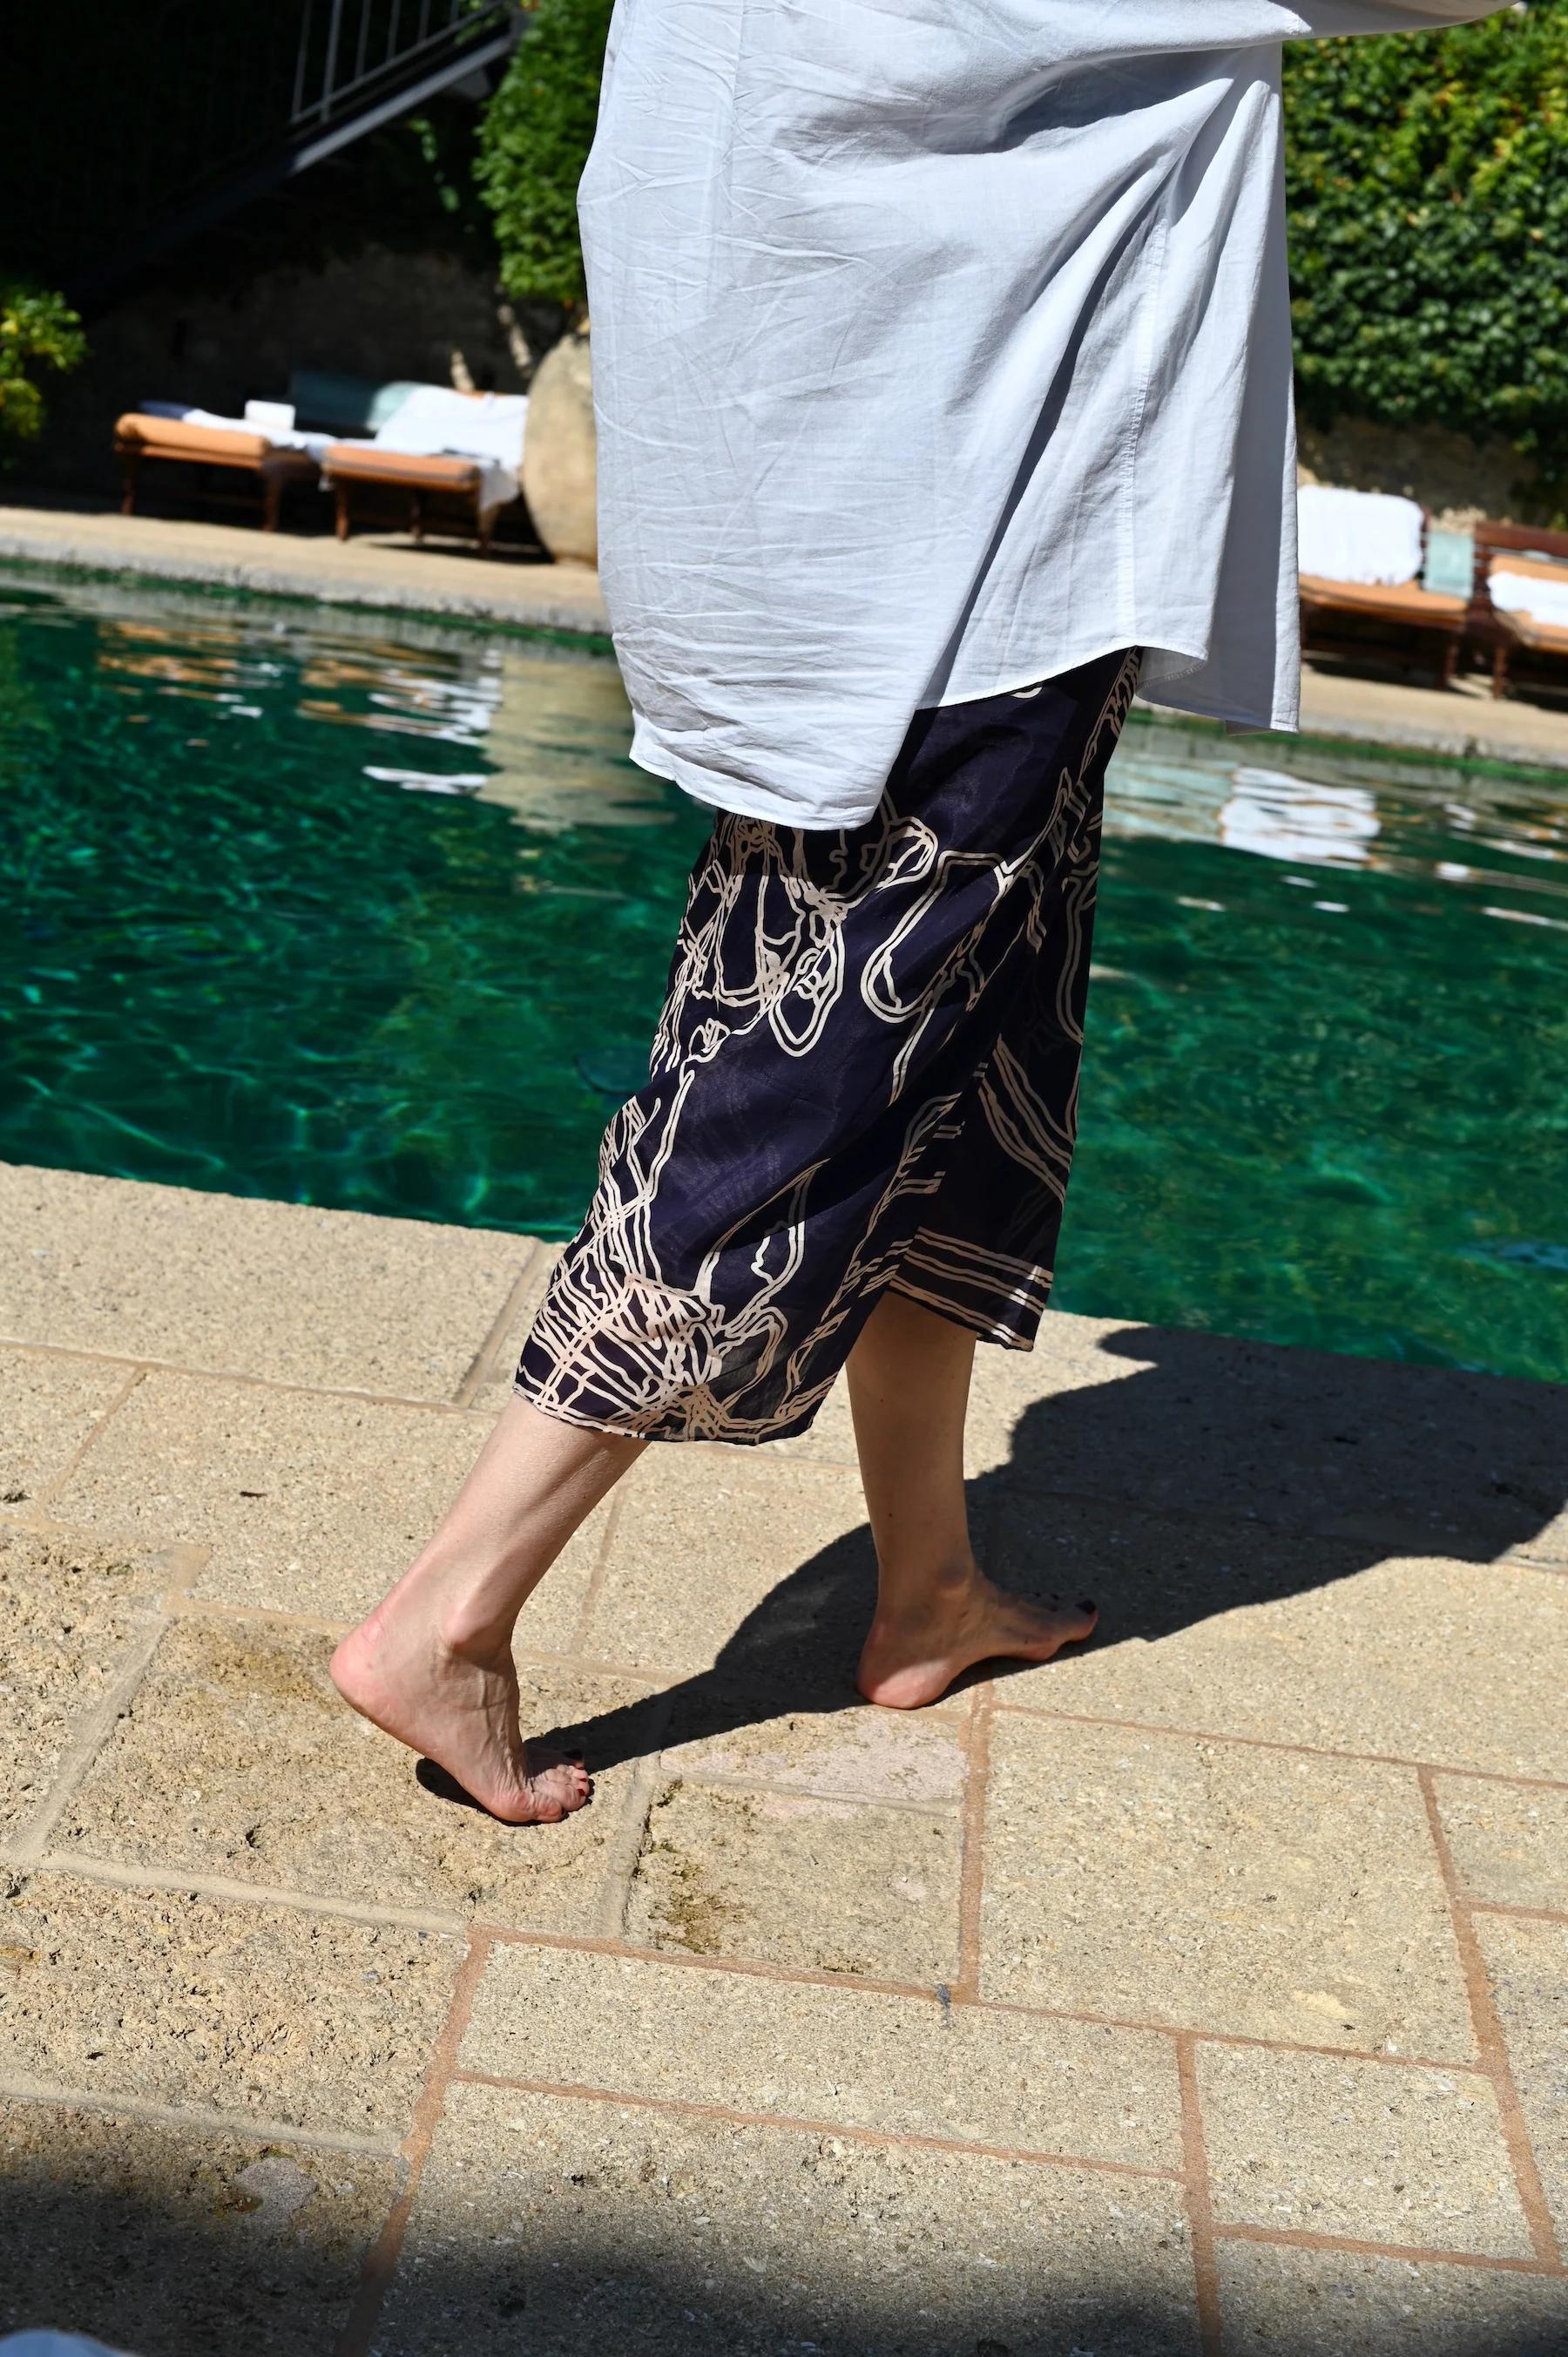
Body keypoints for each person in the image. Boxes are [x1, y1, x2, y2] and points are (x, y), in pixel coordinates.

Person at [332, 0, 1511, 1822]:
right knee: (790, 1085)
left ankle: (927, 1582)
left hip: (830, 528)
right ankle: (452, 1616)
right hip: (960, 555)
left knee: (971, 1070)